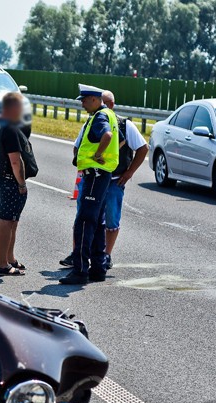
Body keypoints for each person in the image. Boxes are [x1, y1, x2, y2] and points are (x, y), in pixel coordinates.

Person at [60, 90, 148, 269]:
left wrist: (129, 172)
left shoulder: (122, 124)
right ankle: (79, 253)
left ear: (110, 105)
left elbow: (143, 148)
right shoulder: (92, 121)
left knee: (110, 220)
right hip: (91, 179)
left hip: (113, 180)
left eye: (106, 104)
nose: (104, 108)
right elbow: (78, 146)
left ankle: (105, 256)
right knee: (84, 218)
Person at [59, 84, 119, 285]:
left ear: (94, 99)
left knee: (84, 221)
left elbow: (107, 135)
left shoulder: (100, 116)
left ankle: (80, 270)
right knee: (98, 222)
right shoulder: (108, 114)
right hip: (102, 175)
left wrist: (98, 154)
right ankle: (98, 269)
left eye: (84, 100)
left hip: (95, 174)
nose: (82, 104)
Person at [0, 93, 31, 276]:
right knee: (6, 222)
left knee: (12, 221)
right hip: (10, 181)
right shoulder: (10, 128)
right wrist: (22, 184)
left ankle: (10, 258)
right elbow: (16, 161)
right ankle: (1, 264)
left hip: (0, 178)